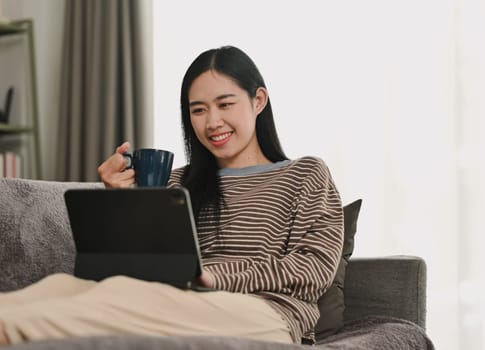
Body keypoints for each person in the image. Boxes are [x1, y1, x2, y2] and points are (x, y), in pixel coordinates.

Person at [0, 46, 343, 345]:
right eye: (198, 110)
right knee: (60, 285)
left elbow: (313, 268)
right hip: (178, 297)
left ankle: (11, 329)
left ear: (258, 101)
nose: (212, 122)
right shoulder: (177, 181)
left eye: (225, 104)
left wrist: (214, 277)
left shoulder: (305, 174)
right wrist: (118, 202)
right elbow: (134, 266)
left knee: (126, 298)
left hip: (266, 313)